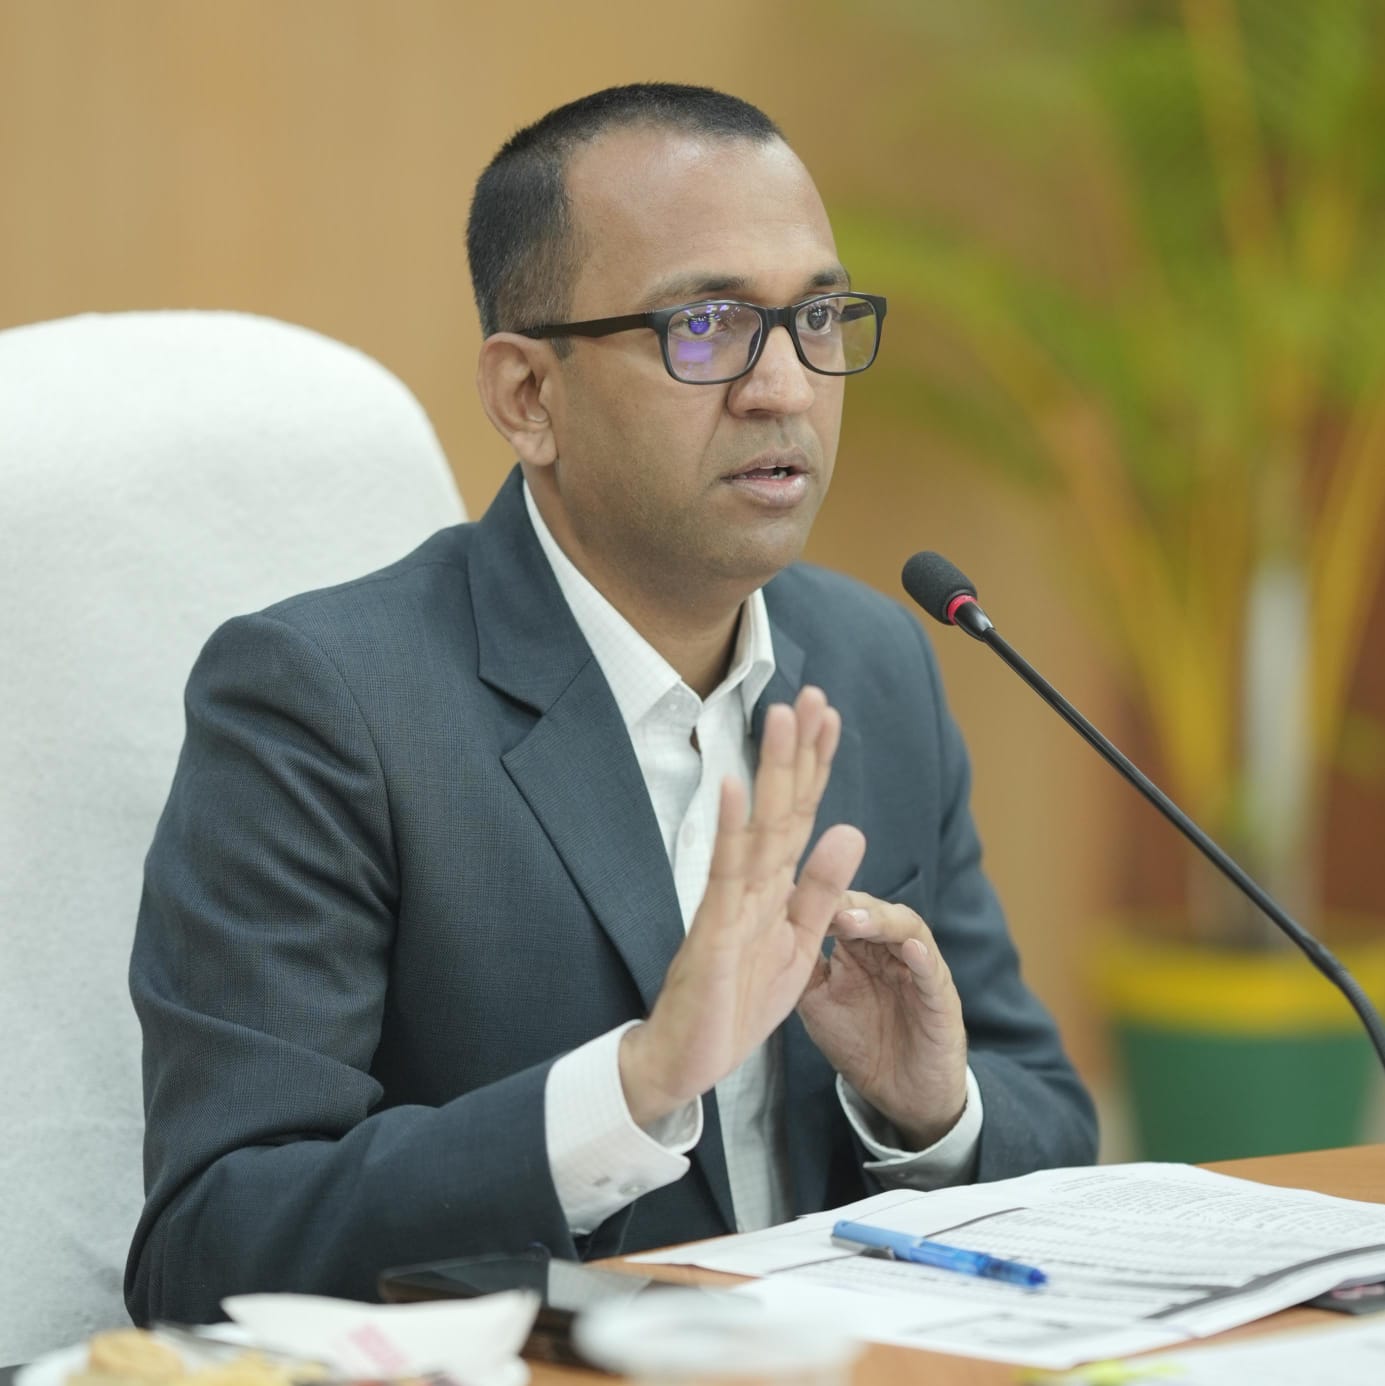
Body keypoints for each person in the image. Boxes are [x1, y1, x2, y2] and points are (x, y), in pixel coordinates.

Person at [126, 83, 1096, 1324]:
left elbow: (1050, 1119)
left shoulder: (874, 662)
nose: (785, 387)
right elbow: (208, 1247)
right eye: (707, 326)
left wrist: (925, 1110)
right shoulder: (326, 705)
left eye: (814, 316)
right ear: (528, 397)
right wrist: (628, 1092)